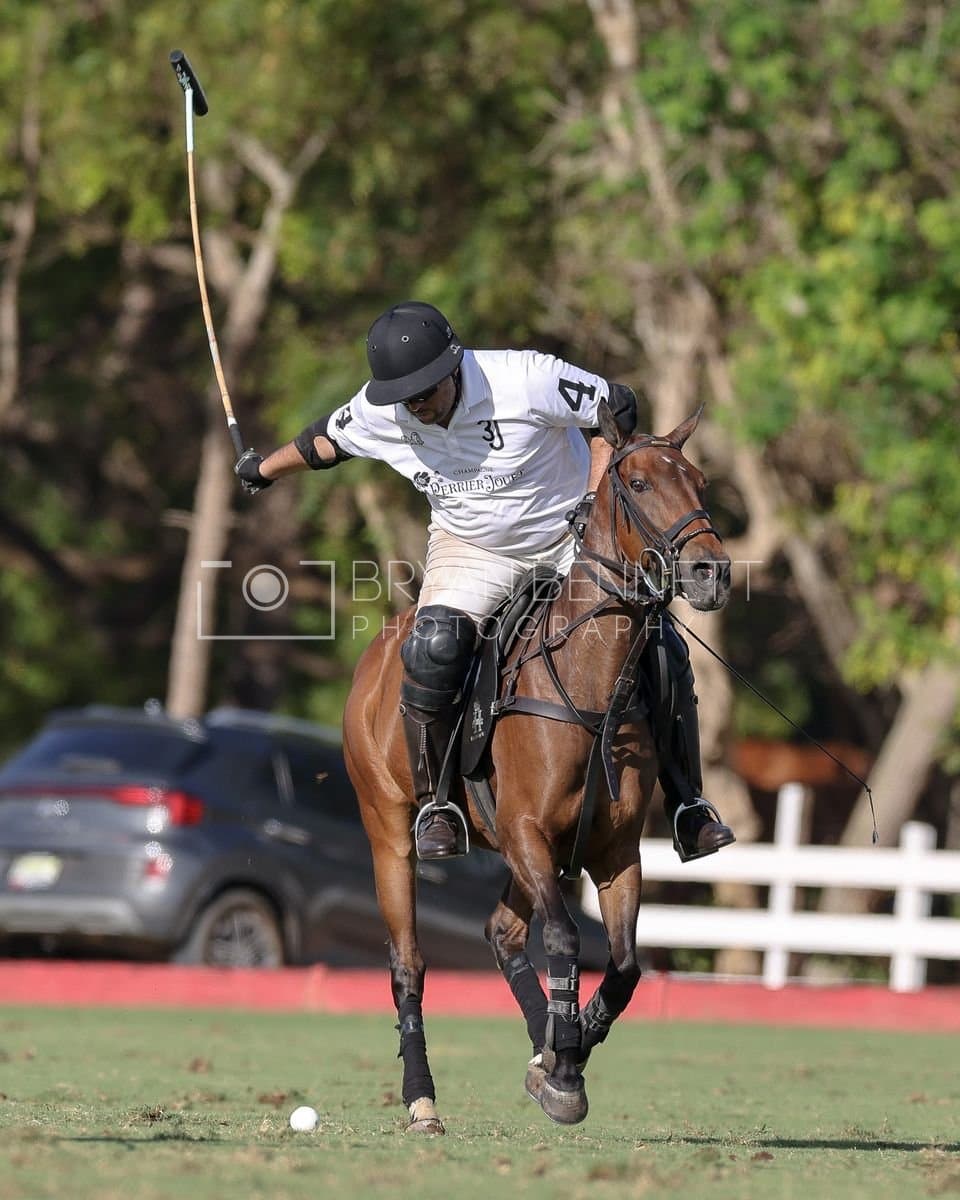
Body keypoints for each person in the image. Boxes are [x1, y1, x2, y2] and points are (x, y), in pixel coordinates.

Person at [236, 300, 735, 862]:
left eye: (425, 393)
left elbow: (615, 407)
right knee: (432, 648)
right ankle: (438, 806)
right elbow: (321, 442)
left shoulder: (525, 379)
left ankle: (688, 803)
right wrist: (260, 470)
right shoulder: (387, 410)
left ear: (455, 369)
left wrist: (594, 498)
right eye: (405, 399)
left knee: (661, 645)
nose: (416, 407)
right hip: (472, 547)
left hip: (569, 534)